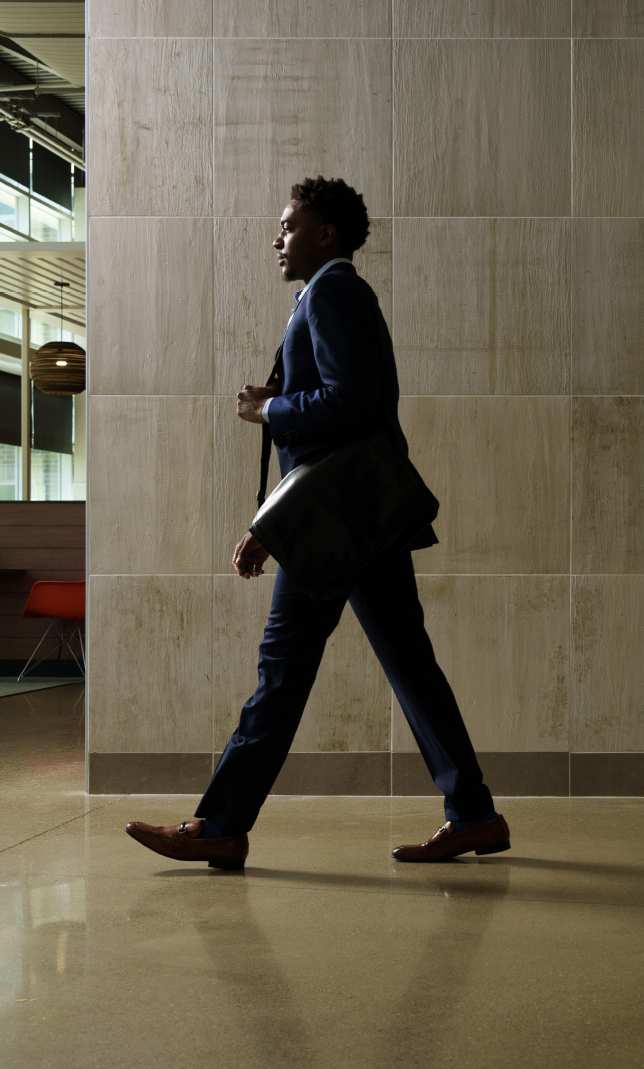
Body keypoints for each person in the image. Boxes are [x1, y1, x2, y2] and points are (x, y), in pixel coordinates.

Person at [125, 177, 509, 870]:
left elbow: (353, 403)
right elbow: (346, 402)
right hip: (359, 523)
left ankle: (220, 824)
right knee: (410, 668)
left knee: (283, 669)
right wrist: (285, 405)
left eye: (288, 225)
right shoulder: (327, 296)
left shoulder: (333, 291)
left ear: (324, 233)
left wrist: (268, 412)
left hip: (336, 525)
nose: (277, 238)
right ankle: (474, 814)